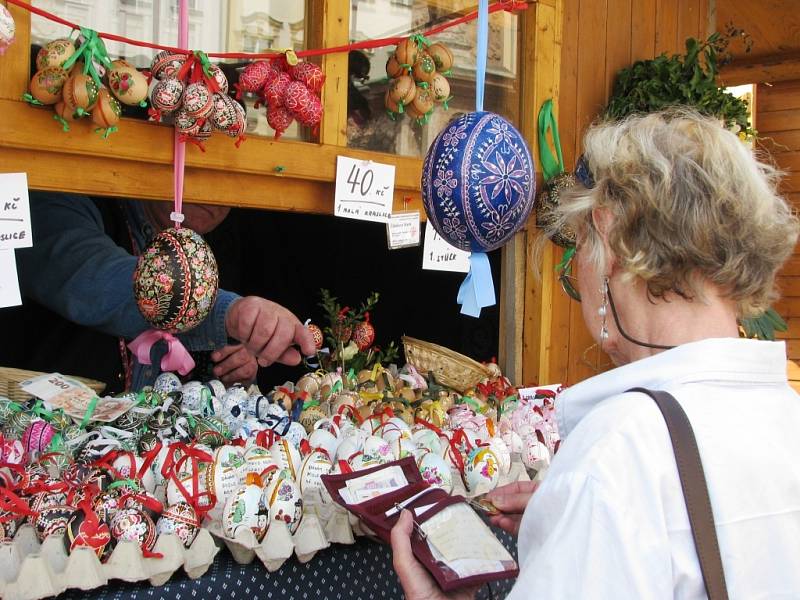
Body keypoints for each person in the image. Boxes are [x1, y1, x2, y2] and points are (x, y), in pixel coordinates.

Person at [391, 109, 800, 598]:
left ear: (605, 235)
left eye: (579, 244)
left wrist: (595, 505)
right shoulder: (786, 416)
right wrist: (578, 518)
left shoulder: (619, 453)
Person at [0, 192, 316, 393]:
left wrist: (235, 365)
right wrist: (228, 314)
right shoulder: (66, 196)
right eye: (197, 166)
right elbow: (92, 277)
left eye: (232, 179)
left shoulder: (215, 243)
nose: (217, 192)